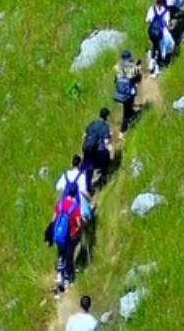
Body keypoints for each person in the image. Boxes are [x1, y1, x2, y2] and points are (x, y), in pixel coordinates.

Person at [51, 157, 87, 293]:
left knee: (61, 251)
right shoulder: (75, 207)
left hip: (59, 230)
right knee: (69, 254)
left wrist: (54, 228)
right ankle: (68, 278)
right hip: (71, 233)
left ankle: (60, 274)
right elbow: (78, 221)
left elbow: (54, 216)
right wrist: (81, 228)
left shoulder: (61, 204)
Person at [82, 107, 113, 186]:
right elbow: (106, 142)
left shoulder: (92, 123)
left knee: (89, 167)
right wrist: (110, 147)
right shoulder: (105, 127)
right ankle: (104, 177)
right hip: (98, 152)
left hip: (87, 149)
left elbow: (84, 135)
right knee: (106, 156)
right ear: (107, 117)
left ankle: (87, 186)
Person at [145, 0, 175, 74]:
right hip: (161, 33)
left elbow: (148, 20)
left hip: (151, 32)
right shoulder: (166, 11)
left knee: (154, 45)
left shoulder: (152, 8)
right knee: (165, 45)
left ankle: (151, 62)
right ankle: (158, 64)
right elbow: (167, 24)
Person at [113, 49, 142, 132]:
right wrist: (138, 66)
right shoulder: (132, 67)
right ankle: (123, 130)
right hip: (129, 93)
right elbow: (137, 77)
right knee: (126, 111)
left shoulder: (117, 67)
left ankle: (131, 116)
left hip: (119, 93)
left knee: (127, 108)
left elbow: (115, 80)